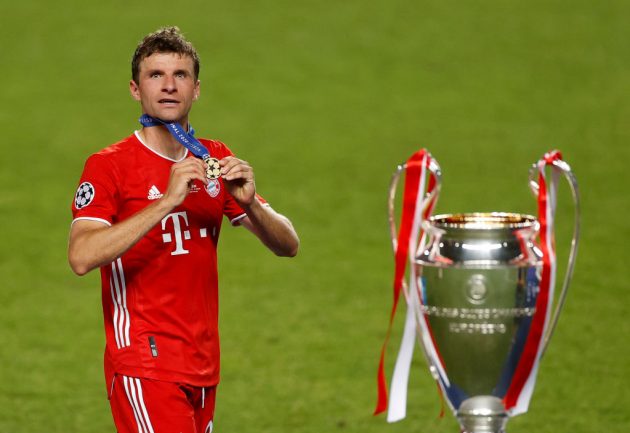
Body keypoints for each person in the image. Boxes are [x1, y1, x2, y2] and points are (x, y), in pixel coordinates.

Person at [68, 26, 299, 433]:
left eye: (181, 75)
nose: (169, 86)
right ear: (135, 89)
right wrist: (166, 201)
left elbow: (288, 244)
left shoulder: (214, 159)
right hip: (144, 363)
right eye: (155, 75)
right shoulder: (109, 166)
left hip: (203, 364)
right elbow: (81, 256)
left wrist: (250, 203)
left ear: (196, 89)